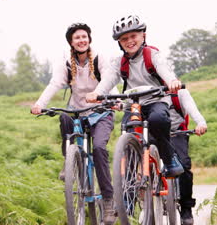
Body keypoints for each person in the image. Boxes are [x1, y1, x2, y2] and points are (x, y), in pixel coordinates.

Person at [31, 23, 118, 224]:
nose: (81, 40)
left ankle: (107, 201)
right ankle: (69, 160)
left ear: (89, 39)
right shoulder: (65, 63)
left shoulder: (99, 58)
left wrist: (113, 100)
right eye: (77, 38)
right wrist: (39, 104)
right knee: (64, 116)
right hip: (78, 111)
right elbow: (55, 83)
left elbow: (109, 80)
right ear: (71, 42)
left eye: (84, 37)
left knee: (98, 148)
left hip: (101, 112)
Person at [86, 15, 184, 177]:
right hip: (133, 105)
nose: (129, 41)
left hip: (155, 100)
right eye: (124, 39)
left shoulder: (152, 55)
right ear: (119, 42)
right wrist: (97, 93)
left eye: (133, 36)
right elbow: (108, 79)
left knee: (158, 120)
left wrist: (172, 81)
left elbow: (164, 69)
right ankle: (127, 188)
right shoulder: (119, 62)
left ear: (143, 35)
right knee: (127, 132)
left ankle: (169, 158)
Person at [170, 89, 207, 225]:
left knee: (184, 165)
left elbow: (192, 108)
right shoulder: (148, 89)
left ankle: (186, 207)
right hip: (153, 134)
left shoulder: (179, 93)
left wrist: (201, 123)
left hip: (177, 133)